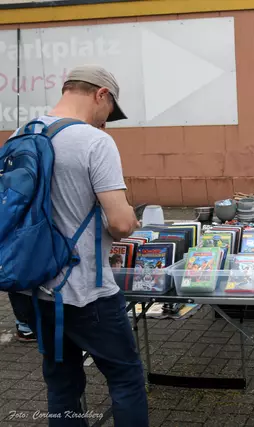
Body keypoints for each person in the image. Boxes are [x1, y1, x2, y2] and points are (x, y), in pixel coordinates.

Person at [12, 65, 148, 426]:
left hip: (32, 287)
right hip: (86, 292)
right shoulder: (94, 141)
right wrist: (129, 216)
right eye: (109, 112)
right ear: (101, 94)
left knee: (62, 384)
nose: (106, 121)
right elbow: (120, 223)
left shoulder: (23, 133)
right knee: (126, 378)